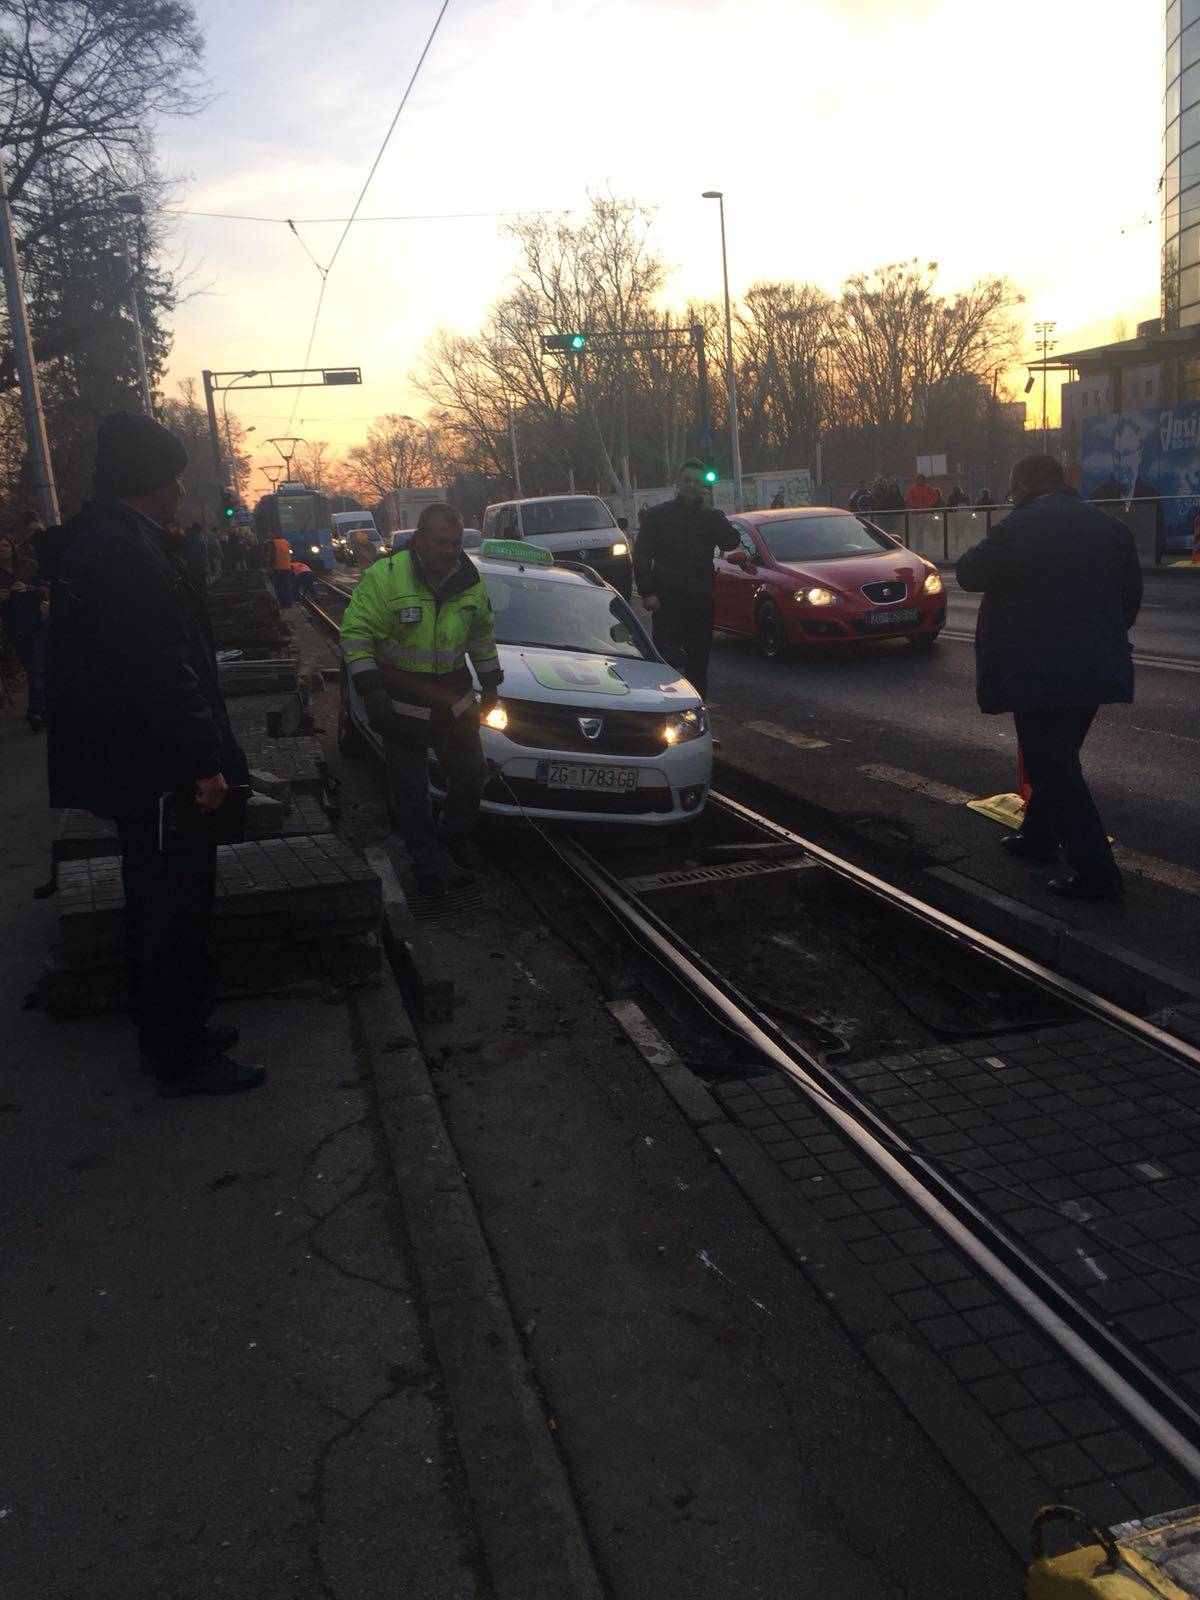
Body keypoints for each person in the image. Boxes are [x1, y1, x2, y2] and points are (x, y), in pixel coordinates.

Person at [45, 411, 264, 1095]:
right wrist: (204, 763)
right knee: (175, 907)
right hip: (161, 769)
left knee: (156, 897)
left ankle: (172, 1030)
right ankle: (182, 1053)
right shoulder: (127, 554)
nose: (178, 490)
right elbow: (164, 669)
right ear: (146, 479)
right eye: (172, 477)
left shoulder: (114, 541)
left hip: (138, 764)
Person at [956, 452, 1141, 901]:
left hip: (1036, 667)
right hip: (1095, 664)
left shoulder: (1018, 527)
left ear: (1022, 487)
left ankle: (1097, 871)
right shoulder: (1110, 528)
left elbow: (967, 573)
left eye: (1011, 491)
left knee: (1052, 764)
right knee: (1056, 757)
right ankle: (1039, 838)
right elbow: (1130, 598)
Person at [339, 502, 502, 898]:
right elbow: (356, 633)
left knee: (472, 775)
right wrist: (371, 688)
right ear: (419, 540)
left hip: (454, 700)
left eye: (455, 542)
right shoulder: (385, 578)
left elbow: (481, 633)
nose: (449, 551)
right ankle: (427, 865)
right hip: (402, 704)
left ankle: (452, 835)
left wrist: (491, 681)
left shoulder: (469, 580)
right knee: (411, 792)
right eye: (440, 542)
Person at [632, 457, 747, 697]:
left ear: (703, 485)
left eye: (696, 481)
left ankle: (697, 717)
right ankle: (666, 718)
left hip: (700, 600)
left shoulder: (710, 516)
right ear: (678, 482)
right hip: (667, 601)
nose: (691, 485)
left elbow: (730, 540)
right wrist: (648, 592)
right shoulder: (659, 516)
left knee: (698, 665)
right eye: (687, 480)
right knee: (667, 665)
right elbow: (642, 554)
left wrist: (711, 513)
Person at [0, 532, 49, 731]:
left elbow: (44, 590)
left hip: (37, 624)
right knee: (32, 669)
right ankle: (43, 706)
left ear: (12, 547)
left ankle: (35, 712)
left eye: (5, 545)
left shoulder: (27, 566)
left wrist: (27, 588)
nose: (2, 549)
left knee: (37, 668)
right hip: (15, 628)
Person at [268, 529, 293, 606]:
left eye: (270, 534)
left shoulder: (273, 543)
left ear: (273, 534)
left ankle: (282, 603)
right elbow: (290, 553)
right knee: (286, 586)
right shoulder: (286, 542)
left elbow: (272, 556)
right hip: (287, 567)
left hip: (277, 568)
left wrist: (270, 567)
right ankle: (289, 603)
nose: (269, 535)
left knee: (279, 587)